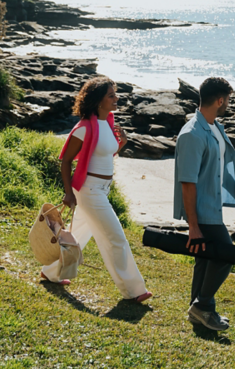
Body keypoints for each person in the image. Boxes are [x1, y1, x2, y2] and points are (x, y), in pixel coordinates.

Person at [41, 76, 153, 303]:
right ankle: (134, 290)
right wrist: (69, 192)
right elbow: (66, 161)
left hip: (102, 189)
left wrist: (121, 145)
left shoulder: (108, 123)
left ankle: (50, 272)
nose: (116, 98)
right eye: (111, 95)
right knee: (116, 238)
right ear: (97, 100)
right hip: (89, 191)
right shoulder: (83, 128)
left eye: (115, 94)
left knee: (78, 235)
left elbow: (102, 155)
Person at [174, 77, 235, 330]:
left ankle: (196, 311)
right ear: (220, 100)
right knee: (225, 255)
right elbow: (187, 182)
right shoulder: (192, 134)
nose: (228, 104)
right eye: (228, 100)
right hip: (202, 212)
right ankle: (203, 306)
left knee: (206, 259)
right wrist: (194, 225)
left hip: (213, 208)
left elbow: (221, 172)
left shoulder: (215, 128)